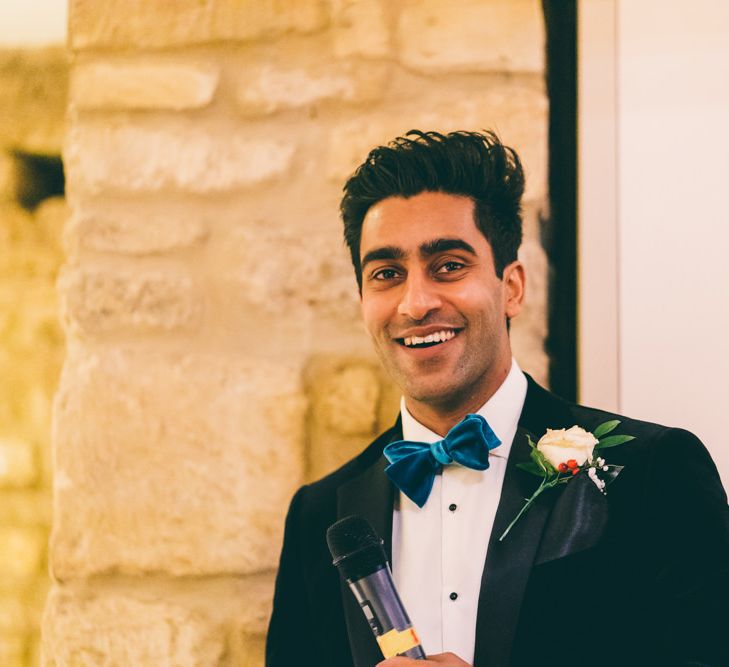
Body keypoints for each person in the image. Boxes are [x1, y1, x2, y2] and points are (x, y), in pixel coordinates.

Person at [265, 130, 729, 667]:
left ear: (511, 287)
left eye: (449, 266)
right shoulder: (318, 515)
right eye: (387, 274)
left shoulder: (652, 472)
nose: (415, 304)